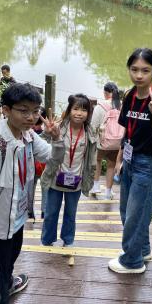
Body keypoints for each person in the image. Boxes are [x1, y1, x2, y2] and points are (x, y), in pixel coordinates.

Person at [0, 83, 62, 303]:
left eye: (35, 111)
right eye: (23, 111)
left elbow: (51, 157)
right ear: (6, 110)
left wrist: (57, 139)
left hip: (18, 218)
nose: (31, 117)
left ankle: (8, 283)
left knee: (9, 263)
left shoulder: (28, 136)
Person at [107, 48, 152, 274]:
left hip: (147, 164)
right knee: (127, 213)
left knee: (135, 217)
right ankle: (143, 250)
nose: (139, 75)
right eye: (134, 69)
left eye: (145, 70)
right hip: (129, 160)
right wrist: (119, 160)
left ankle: (132, 262)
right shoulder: (129, 96)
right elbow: (127, 132)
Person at [40, 94, 97, 248]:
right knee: (51, 212)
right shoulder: (58, 127)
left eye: (84, 110)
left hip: (76, 180)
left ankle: (68, 239)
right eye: (76, 109)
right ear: (69, 110)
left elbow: (92, 158)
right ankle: (47, 240)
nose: (79, 113)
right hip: (55, 177)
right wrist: (47, 132)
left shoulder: (90, 132)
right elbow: (40, 145)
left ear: (88, 113)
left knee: (71, 214)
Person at [89, 82, 124, 199]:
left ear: (105, 93)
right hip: (117, 141)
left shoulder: (100, 106)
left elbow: (93, 126)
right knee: (111, 165)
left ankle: (96, 186)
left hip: (102, 141)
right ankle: (108, 192)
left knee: (97, 161)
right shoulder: (122, 106)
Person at [29, 107, 48, 220]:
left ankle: (30, 211)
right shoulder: (47, 133)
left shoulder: (27, 133)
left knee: (30, 188)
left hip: (31, 166)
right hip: (44, 166)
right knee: (45, 188)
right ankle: (44, 211)